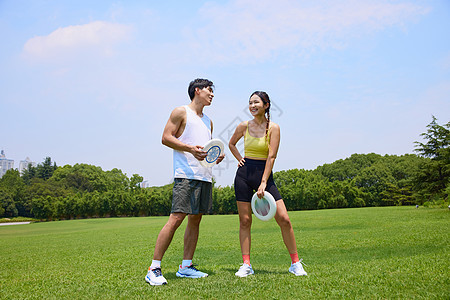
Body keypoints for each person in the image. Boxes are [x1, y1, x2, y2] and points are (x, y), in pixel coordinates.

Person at [145, 78, 224, 286]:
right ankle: (153, 268)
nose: (212, 94)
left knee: (195, 219)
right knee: (176, 218)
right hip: (185, 175)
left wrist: (214, 157)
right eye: (209, 90)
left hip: (204, 175)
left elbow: (204, 150)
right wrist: (190, 149)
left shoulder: (208, 121)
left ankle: (186, 267)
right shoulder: (180, 112)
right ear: (197, 91)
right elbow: (165, 137)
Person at [228, 91, 307, 277]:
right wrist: (239, 158)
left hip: (264, 174)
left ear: (266, 105)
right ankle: (246, 264)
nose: (252, 106)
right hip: (244, 175)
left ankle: (295, 263)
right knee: (245, 220)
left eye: (256, 102)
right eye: (250, 103)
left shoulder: (274, 128)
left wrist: (263, 182)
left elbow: (271, 156)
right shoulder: (243, 126)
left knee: (284, 219)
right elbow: (231, 144)